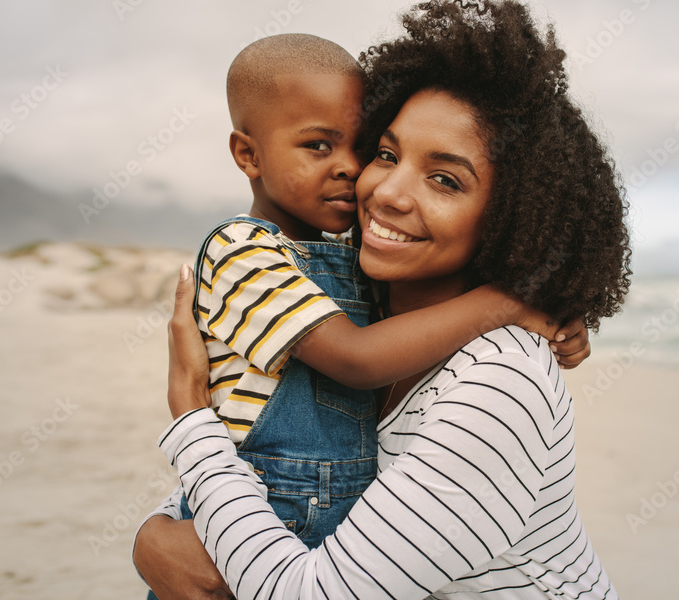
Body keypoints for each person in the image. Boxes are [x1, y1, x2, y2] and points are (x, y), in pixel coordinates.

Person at [135, 0, 630, 597]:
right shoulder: (354, 303)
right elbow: (254, 447)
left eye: (445, 179)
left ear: (514, 217)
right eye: (388, 154)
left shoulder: (500, 386)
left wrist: (190, 421)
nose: (382, 189)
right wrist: (154, 533)